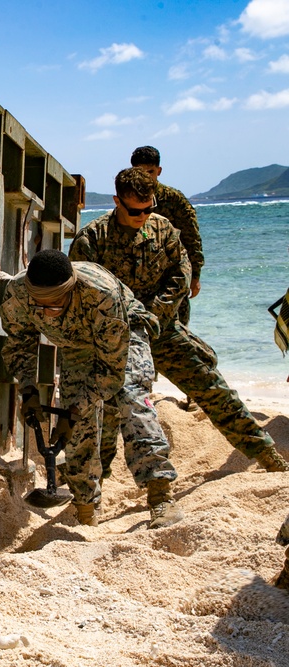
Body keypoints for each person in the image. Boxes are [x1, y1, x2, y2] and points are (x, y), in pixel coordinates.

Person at [69, 167, 289, 473]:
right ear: (116, 201)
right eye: (135, 210)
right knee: (106, 414)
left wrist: (156, 311)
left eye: (148, 209)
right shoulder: (92, 239)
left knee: (212, 387)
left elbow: (180, 271)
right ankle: (95, 489)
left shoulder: (163, 229)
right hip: (114, 337)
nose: (142, 216)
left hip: (161, 329)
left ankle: (265, 453)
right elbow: (83, 291)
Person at [0, 249, 183, 528]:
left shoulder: (101, 294)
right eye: (40, 306)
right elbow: (19, 346)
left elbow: (112, 372)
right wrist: (29, 391)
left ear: (70, 290)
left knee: (132, 399)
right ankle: (85, 509)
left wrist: (75, 409)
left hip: (123, 334)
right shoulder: (17, 294)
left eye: (55, 305)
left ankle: (161, 497)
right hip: (75, 345)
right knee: (78, 427)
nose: (47, 313)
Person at [130, 146, 203, 326]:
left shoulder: (174, 200)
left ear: (159, 171)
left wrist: (195, 277)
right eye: (141, 172)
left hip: (171, 282)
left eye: (151, 172)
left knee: (177, 332)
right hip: (137, 284)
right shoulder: (128, 198)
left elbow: (192, 238)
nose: (146, 177)